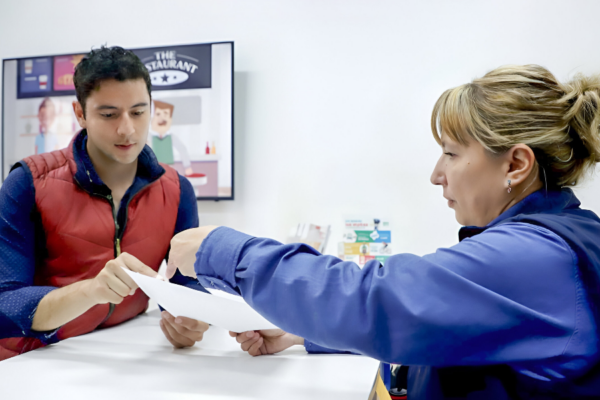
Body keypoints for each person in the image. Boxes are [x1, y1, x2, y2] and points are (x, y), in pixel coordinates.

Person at [166, 65, 600, 399]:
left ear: (516, 165)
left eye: (451, 154)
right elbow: (439, 327)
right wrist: (304, 334)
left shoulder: (537, 256)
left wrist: (221, 250)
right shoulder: (556, 240)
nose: (437, 175)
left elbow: (375, 299)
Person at [0, 46, 208, 360]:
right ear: (80, 114)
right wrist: (91, 290)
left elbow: (186, 285)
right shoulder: (28, 182)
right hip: (34, 360)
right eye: (109, 115)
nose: (127, 129)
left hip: (125, 354)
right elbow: (5, 304)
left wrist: (190, 320)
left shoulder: (177, 190)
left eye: (138, 112)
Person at [150, 100, 194, 176]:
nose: (162, 118)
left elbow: (182, 148)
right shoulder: (149, 137)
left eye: (165, 114)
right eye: (158, 114)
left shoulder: (171, 137)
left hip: (169, 167)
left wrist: (187, 166)